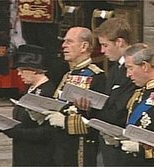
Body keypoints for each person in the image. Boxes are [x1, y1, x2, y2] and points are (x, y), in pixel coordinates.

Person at [41, 27, 106, 166]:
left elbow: (99, 120)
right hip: (59, 145)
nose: (64, 46)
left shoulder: (96, 77)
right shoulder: (67, 74)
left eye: (69, 42)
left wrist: (66, 122)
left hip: (80, 147)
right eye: (64, 42)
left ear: (84, 46)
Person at [0, 44, 56, 167]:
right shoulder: (31, 89)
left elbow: (46, 132)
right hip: (24, 153)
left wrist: (15, 132)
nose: (19, 74)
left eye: (22, 70)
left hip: (38, 157)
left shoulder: (47, 91)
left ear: (33, 69)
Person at [119, 44, 154, 166]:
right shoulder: (139, 92)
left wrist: (141, 149)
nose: (128, 75)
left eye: (130, 68)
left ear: (144, 66)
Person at [93, 17, 137, 166]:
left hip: (122, 144)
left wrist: (94, 114)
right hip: (107, 140)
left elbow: (120, 108)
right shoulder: (115, 69)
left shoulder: (132, 71)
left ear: (119, 42)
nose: (102, 51)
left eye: (105, 45)